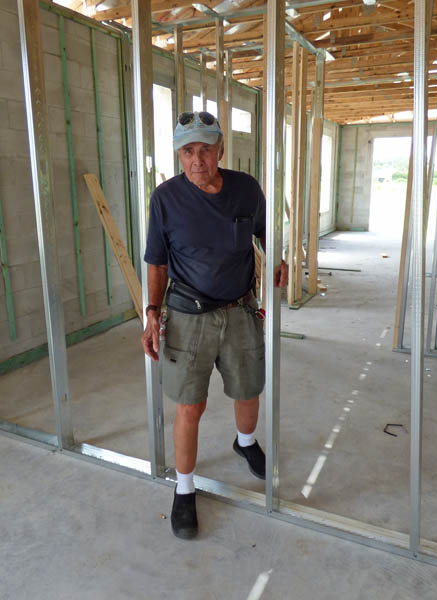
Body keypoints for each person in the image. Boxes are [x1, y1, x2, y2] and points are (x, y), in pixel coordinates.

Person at [141, 110, 287, 539]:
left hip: (240, 309)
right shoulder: (165, 199)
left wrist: (277, 258)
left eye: (205, 150)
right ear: (178, 155)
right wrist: (151, 313)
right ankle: (184, 489)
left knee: (248, 389)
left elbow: (264, 232)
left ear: (221, 150)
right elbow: (157, 263)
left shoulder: (246, 189)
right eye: (188, 151)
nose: (197, 160)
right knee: (190, 405)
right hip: (188, 316)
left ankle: (245, 443)